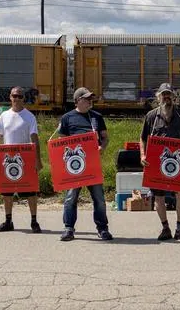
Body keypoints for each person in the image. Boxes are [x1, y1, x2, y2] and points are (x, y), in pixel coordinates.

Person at [140, 82, 180, 242]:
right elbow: (143, 138)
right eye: (163, 94)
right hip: (156, 164)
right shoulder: (151, 116)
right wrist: (143, 156)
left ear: (173, 96)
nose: (166, 97)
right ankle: (165, 227)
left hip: (178, 164)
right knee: (158, 197)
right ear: (158, 97)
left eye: (169, 94)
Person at [54, 87, 113, 242]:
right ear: (78, 100)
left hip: (93, 165)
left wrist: (102, 147)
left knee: (99, 198)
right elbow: (61, 141)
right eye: (86, 99)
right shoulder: (67, 118)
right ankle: (68, 228)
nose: (89, 101)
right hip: (74, 165)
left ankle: (103, 229)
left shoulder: (97, 117)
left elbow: (105, 138)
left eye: (90, 99)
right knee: (70, 198)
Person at [0, 85, 43, 233]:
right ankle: (8, 221)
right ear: (10, 97)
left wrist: (38, 160)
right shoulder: (4, 116)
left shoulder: (29, 117)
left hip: (25, 160)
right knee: (6, 192)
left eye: (20, 96)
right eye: (14, 96)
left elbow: (35, 139)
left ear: (23, 99)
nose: (17, 99)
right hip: (7, 160)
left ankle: (34, 221)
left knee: (30, 191)